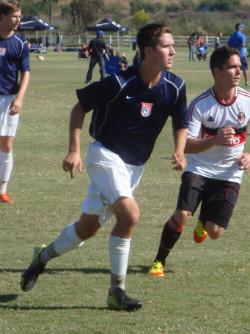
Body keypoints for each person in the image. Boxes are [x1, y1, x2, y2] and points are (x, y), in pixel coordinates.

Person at [20, 23, 189, 311]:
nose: (173, 50)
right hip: (104, 156)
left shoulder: (175, 86)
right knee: (130, 215)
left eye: (173, 45)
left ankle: (42, 257)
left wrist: (179, 150)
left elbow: (180, 122)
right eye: (166, 45)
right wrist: (74, 150)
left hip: (135, 168)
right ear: (148, 51)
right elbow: (79, 108)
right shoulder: (119, 82)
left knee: (87, 228)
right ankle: (116, 291)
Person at [148, 46, 250, 278]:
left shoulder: (247, 100)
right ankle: (158, 261)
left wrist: (249, 155)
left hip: (230, 173)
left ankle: (205, 221)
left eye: (240, 66)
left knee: (215, 232)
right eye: (232, 67)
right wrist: (215, 140)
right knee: (182, 214)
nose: (239, 71)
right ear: (217, 71)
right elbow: (186, 145)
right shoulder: (200, 105)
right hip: (200, 168)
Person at [0, 0, 30, 204]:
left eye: (19, 16)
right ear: (2, 17)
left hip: (10, 99)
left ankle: (2, 189)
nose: (18, 20)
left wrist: (19, 97)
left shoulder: (20, 44)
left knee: (6, 143)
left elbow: (25, 73)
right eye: (14, 16)